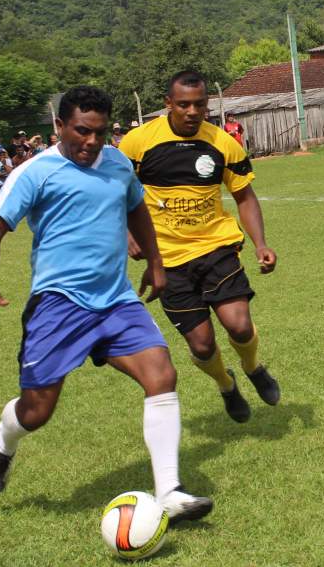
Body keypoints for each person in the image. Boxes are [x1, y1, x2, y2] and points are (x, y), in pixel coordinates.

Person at [0, 85, 212, 522]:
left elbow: (136, 207)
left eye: (100, 133)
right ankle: (5, 438)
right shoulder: (35, 172)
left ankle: (170, 491)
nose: (91, 142)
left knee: (162, 374)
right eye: (82, 131)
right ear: (59, 126)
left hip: (116, 300)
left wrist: (156, 261)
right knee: (37, 410)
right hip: (59, 304)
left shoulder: (118, 164)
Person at [120, 70, 280, 424]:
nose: (193, 112)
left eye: (200, 104)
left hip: (216, 247)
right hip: (167, 260)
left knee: (238, 325)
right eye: (183, 105)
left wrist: (260, 244)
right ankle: (226, 385)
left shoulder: (222, 143)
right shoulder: (136, 143)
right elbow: (115, 192)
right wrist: (126, 232)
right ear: (167, 104)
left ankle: (253, 367)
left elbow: (244, 196)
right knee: (202, 346)